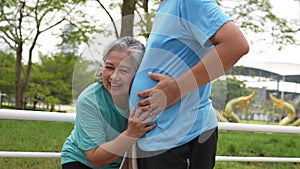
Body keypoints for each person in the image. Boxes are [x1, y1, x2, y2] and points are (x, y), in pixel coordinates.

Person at [129, 0, 250, 169]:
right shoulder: (167, 6)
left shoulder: (187, 2)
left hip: (181, 139)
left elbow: (236, 45)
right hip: (158, 139)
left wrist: (177, 88)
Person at [61, 36, 156, 169]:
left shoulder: (144, 95)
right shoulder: (89, 100)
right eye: (110, 67)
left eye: (123, 70)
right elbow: (95, 158)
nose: (114, 77)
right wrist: (131, 134)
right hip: (83, 161)